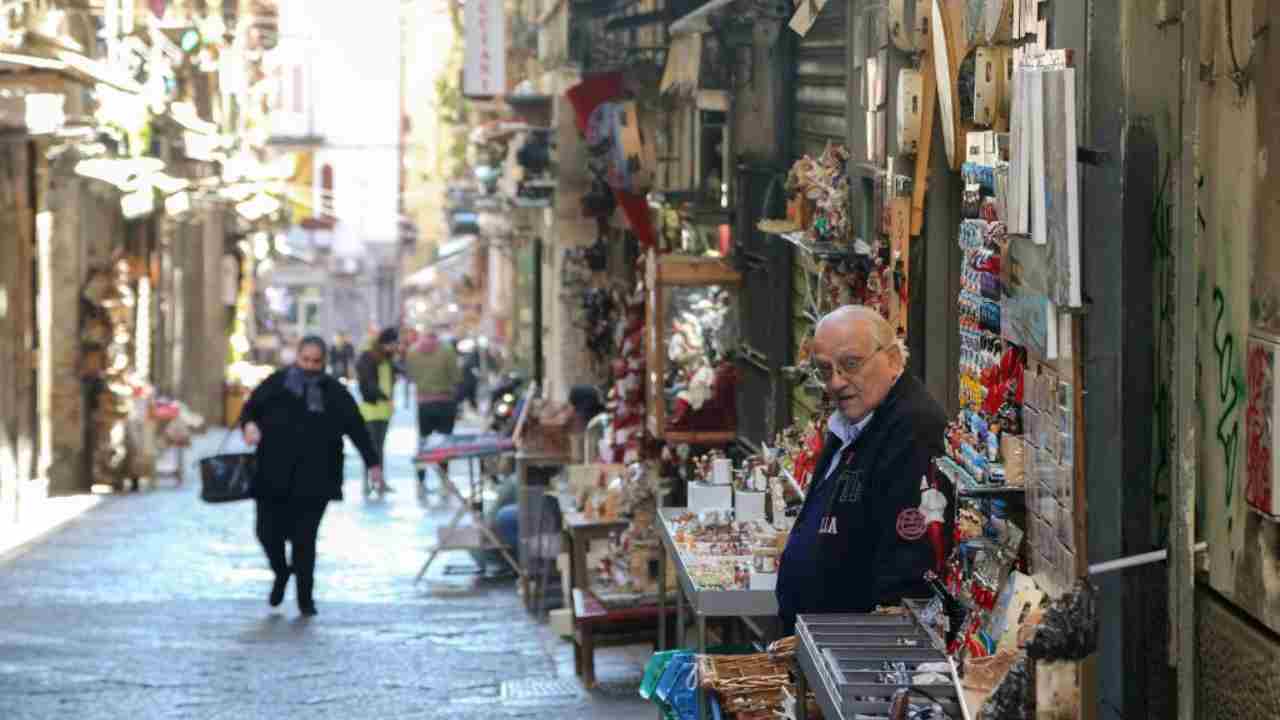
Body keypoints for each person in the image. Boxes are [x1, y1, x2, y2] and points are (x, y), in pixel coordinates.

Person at [775, 305, 950, 635]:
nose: (837, 382)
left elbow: (909, 560)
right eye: (825, 371)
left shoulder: (912, 429)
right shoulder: (855, 421)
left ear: (893, 360)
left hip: (857, 648)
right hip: (822, 643)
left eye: (850, 364)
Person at [239, 336, 383, 616]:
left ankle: (306, 599)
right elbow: (250, 409)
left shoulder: (334, 391)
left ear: (324, 362)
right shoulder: (276, 383)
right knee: (267, 533)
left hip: (316, 477)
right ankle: (281, 572)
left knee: (305, 540)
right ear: (297, 357)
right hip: (272, 474)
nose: (310, 366)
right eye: (305, 360)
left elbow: (356, 426)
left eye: (316, 362)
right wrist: (250, 426)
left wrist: (373, 463)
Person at [405, 328, 464, 491]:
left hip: (423, 403)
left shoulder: (412, 352)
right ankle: (444, 479)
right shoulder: (447, 351)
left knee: (423, 441)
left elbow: (410, 376)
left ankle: (421, 479)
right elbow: (456, 376)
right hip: (445, 402)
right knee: (444, 442)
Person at [356, 327, 399, 495]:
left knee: (380, 447)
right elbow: (368, 384)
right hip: (371, 409)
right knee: (370, 448)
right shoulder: (368, 357)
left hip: (384, 410)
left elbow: (390, 379)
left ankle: (379, 481)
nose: (395, 347)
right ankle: (367, 483)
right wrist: (384, 397)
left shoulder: (388, 359)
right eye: (393, 344)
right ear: (384, 343)